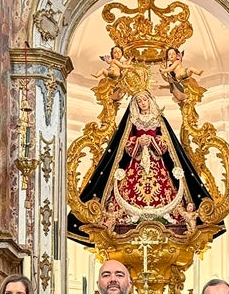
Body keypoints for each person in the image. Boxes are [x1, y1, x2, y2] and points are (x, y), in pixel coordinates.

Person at [79, 91, 213, 229]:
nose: (142, 103)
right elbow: (125, 145)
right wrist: (138, 141)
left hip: (156, 162)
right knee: (128, 189)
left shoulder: (158, 119)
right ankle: (126, 218)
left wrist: (152, 141)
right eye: (139, 101)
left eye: (144, 100)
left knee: (165, 189)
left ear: (150, 100)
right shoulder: (133, 121)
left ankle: (166, 218)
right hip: (136, 164)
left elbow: (166, 145)